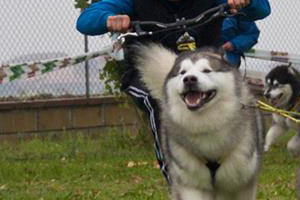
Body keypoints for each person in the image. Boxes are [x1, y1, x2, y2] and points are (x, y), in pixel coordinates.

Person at [76, 0, 270, 183]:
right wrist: (108, 19)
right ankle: (177, 182)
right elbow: (85, 21)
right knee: (160, 104)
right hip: (147, 76)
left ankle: (225, 174)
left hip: (202, 75)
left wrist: (246, 1)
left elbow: (262, 9)